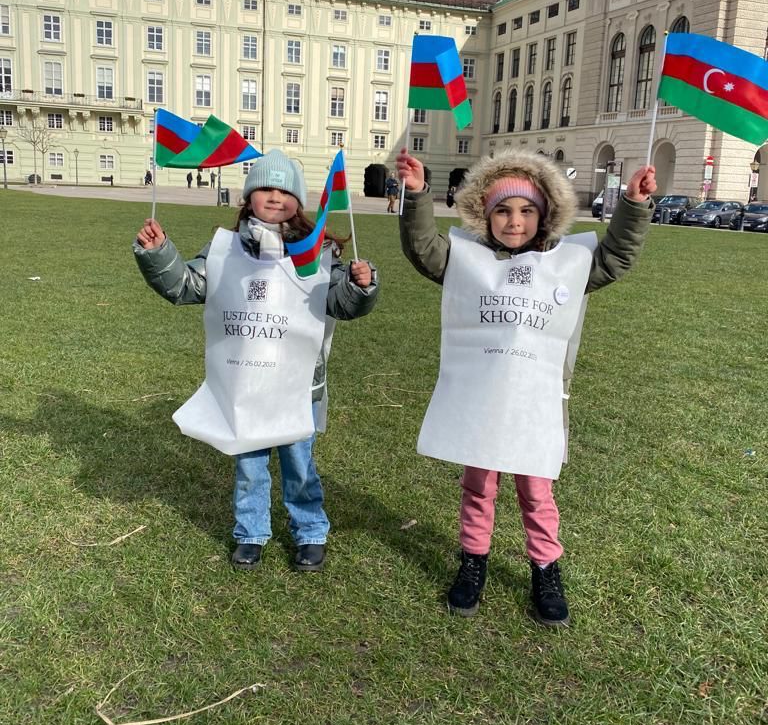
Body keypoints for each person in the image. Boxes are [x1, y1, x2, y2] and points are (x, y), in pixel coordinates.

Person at [397, 147, 655, 625]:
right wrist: (415, 196)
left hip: (537, 404)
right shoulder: (469, 261)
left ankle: (545, 569)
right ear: (485, 214)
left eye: (526, 211)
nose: (514, 222)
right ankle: (473, 561)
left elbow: (615, 257)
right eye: (502, 211)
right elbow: (425, 250)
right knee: (478, 487)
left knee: (536, 493)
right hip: (481, 401)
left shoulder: (566, 264)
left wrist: (633, 206)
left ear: (545, 214)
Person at [134, 149, 378, 573]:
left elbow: (340, 302)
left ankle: (310, 532)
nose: (275, 196)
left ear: (298, 201)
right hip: (244, 382)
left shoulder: (317, 252)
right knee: (250, 466)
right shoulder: (225, 251)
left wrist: (361, 286)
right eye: (265, 188)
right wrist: (159, 254)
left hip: (298, 385)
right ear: (248, 197)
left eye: (285, 191)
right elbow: (187, 286)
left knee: (299, 464)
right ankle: (250, 533)